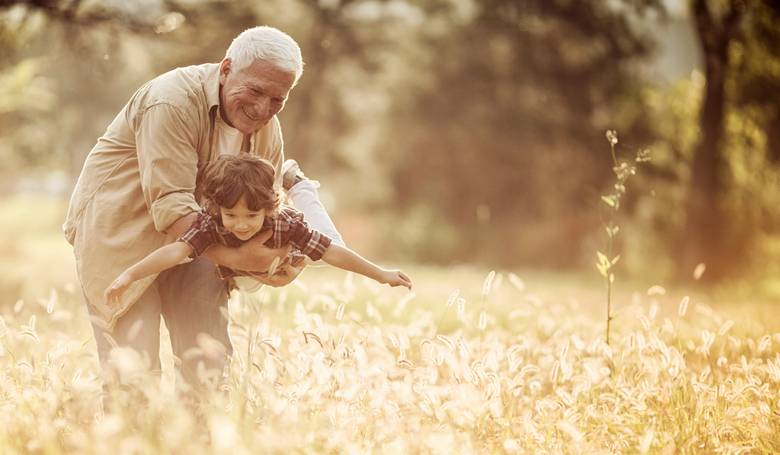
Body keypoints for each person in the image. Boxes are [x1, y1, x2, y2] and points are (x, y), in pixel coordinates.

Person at [63, 26, 342, 389]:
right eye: (255, 91)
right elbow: (174, 208)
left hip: (201, 243)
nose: (263, 109)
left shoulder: (267, 127)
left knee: (207, 364)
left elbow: (265, 208)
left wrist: (280, 260)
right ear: (226, 69)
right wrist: (244, 259)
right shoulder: (171, 101)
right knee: (135, 370)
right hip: (123, 236)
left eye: (278, 99)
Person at [105, 155, 411, 304]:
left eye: (252, 214)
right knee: (252, 277)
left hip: (288, 252)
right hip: (253, 267)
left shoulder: (285, 222)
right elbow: (176, 251)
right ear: (217, 208)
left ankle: (298, 184)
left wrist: (382, 275)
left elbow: (332, 253)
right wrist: (130, 274)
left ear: (268, 208)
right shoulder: (211, 223)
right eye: (231, 214)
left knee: (327, 242)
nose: (240, 224)